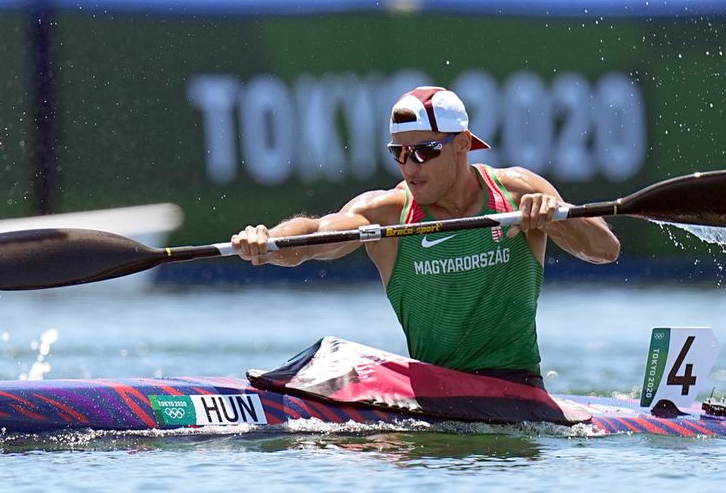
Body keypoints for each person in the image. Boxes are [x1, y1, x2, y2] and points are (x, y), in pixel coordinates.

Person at [232, 86, 620, 388]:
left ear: (463, 145)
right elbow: (316, 233)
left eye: (423, 152)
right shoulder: (386, 212)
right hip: (432, 389)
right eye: (398, 153)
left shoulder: (517, 193)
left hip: (515, 388)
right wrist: (269, 242)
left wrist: (555, 219)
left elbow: (606, 250)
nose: (409, 166)